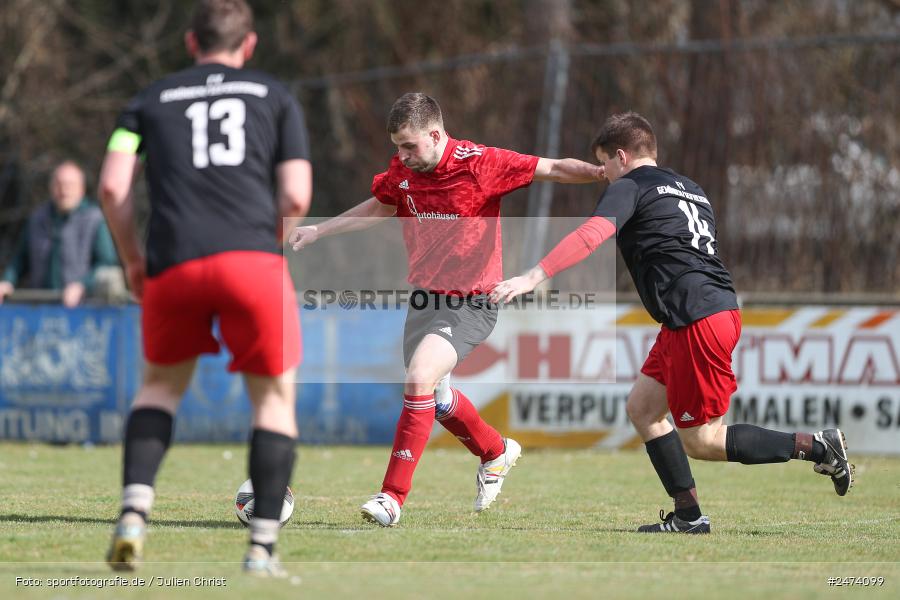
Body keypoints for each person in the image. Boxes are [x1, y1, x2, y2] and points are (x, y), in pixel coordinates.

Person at [490, 112, 853, 533]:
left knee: (704, 440)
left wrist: (532, 277)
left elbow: (592, 235)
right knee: (643, 409)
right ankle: (688, 516)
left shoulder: (628, 186)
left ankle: (818, 447)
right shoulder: (690, 189)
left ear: (621, 157)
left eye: (604, 164)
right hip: (703, 311)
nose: (602, 175)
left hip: (696, 316)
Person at [289, 92, 602, 527]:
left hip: (473, 300)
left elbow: (550, 168)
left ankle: (391, 497)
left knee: (419, 378)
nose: (401, 155)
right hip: (425, 299)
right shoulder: (404, 169)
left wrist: (606, 174)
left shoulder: (481, 163)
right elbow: (382, 205)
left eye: (410, 145)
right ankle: (495, 452)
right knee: (435, 397)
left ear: (436, 134)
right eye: (397, 145)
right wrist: (321, 230)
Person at [98, 0, 312, 575]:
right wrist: (257, 236)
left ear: (191, 43)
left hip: (174, 262)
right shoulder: (276, 97)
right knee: (272, 401)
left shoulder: (146, 101)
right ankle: (261, 549)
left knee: (160, 390)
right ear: (250, 45)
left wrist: (133, 261)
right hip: (251, 261)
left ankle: (133, 516)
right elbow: (295, 196)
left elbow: (113, 187)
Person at [0, 160, 118, 307]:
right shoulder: (37, 218)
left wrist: (82, 285)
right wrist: (7, 281)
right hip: (40, 308)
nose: (64, 190)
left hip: (82, 309)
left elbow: (106, 264)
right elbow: (19, 260)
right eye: (59, 184)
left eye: (70, 185)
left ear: (81, 189)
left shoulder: (94, 219)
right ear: (51, 187)